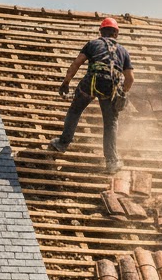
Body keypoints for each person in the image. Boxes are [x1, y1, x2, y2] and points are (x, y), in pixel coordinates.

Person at [50, 16, 134, 174]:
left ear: (101, 32)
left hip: (91, 83)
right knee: (110, 124)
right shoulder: (123, 51)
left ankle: (62, 144)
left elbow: (76, 63)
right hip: (110, 87)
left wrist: (66, 82)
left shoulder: (93, 44)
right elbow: (130, 78)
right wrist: (122, 93)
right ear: (116, 34)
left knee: (75, 111)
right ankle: (111, 161)